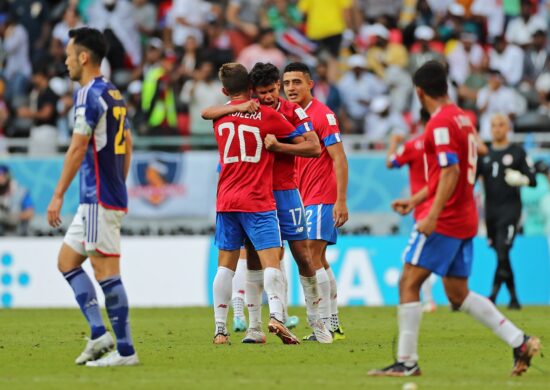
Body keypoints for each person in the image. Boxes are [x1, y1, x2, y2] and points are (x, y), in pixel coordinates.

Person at [368, 60, 540, 377]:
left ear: (419, 92)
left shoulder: (440, 123)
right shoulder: (464, 119)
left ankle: (406, 361)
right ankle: (519, 340)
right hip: (466, 217)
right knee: (458, 293)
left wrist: (431, 214)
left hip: (445, 219)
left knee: (408, 281)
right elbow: (450, 174)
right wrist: (416, 198)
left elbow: (452, 171)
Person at [202, 62, 332, 344]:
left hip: (284, 192)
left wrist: (279, 147)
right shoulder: (247, 109)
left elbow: (313, 146)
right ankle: (254, 327)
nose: (269, 97)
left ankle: (318, 323)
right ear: (252, 91)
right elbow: (211, 111)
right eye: (262, 93)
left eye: (273, 90)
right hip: (257, 195)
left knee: (303, 256)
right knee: (253, 260)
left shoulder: (291, 111)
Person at [47, 27, 137, 367]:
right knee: (67, 262)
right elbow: (128, 144)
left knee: (106, 271)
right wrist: (120, 181)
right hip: (100, 196)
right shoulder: (113, 93)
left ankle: (126, 352)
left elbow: (77, 147)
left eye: (69, 55)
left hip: (98, 196)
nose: (66, 62)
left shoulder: (87, 95)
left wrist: (57, 195)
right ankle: (100, 334)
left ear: (83, 57)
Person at [281, 62, 348, 341]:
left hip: (321, 195)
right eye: (286, 83)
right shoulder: (289, 115)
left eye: (297, 82)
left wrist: (340, 201)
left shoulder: (323, 114)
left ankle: (322, 327)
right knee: (317, 258)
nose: (291, 88)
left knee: (309, 256)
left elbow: (339, 158)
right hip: (300, 196)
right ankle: (332, 322)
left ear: (310, 83)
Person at [477, 113, 536, 310]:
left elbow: (533, 179)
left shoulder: (518, 152)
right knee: (501, 255)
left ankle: (492, 296)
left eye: (501, 125)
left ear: (508, 128)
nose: (497, 128)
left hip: (511, 211)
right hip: (491, 213)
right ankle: (513, 298)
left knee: (503, 251)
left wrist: (521, 178)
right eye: (494, 125)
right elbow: (471, 181)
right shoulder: (485, 154)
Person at [386, 108, 436, 313]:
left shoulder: (412, 145)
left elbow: (391, 163)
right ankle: (433, 299)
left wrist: (393, 142)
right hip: (446, 207)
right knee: (430, 256)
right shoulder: (446, 144)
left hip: (424, 209)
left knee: (413, 260)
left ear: (420, 122)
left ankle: (428, 300)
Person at [0, 165, 34, 236]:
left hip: (19, 235)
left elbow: (30, 213)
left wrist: (12, 217)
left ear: (8, 176)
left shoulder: (21, 192)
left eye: (2, 176)